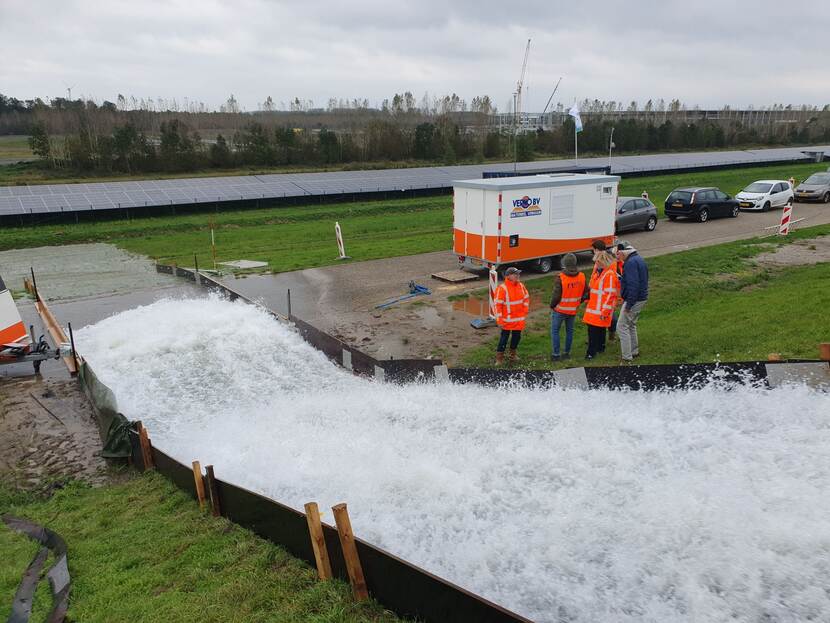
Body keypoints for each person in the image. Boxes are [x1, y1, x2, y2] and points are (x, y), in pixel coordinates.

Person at [615, 241, 649, 362]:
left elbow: (633, 285)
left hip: (634, 299)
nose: (618, 256)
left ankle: (627, 357)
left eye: (619, 253)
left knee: (621, 326)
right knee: (631, 325)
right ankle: (634, 351)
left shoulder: (630, 263)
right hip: (641, 297)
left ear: (624, 252)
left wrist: (629, 304)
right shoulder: (638, 259)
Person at [582, 252, 619, 359]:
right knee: (598, 330)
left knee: (593, 332)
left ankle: (591, 353)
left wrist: (605, 311)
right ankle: (600, 348)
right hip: (594, 308)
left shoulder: (609, 275)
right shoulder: (599, 273)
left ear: (603, 262)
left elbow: (610, 294)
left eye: (598, 261)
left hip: (599, 309)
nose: (596, 263)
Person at [549, 253, 585, 361]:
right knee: (569, 331)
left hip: (560, 310)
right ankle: (567, 353)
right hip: (573, 310)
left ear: (564, 263)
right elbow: (586, 292)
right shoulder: (582, 276)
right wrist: (579, 301)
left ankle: (556, 355)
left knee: (555, 331)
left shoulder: (561, 277)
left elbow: (556, 295)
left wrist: (552, 305)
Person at [494, 266, 529, 365]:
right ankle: (499, 359)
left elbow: (526, 298)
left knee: (516, 338)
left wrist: (525, 310)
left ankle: (512, 355)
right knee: (504, 339)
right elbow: (497, 305)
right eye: (515, 274)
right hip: (507, 321)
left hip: (518, 320)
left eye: (518, 273)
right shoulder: (502, 288)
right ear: (508, 276)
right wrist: (499, 320)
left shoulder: (521, 286)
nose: (518, 275)